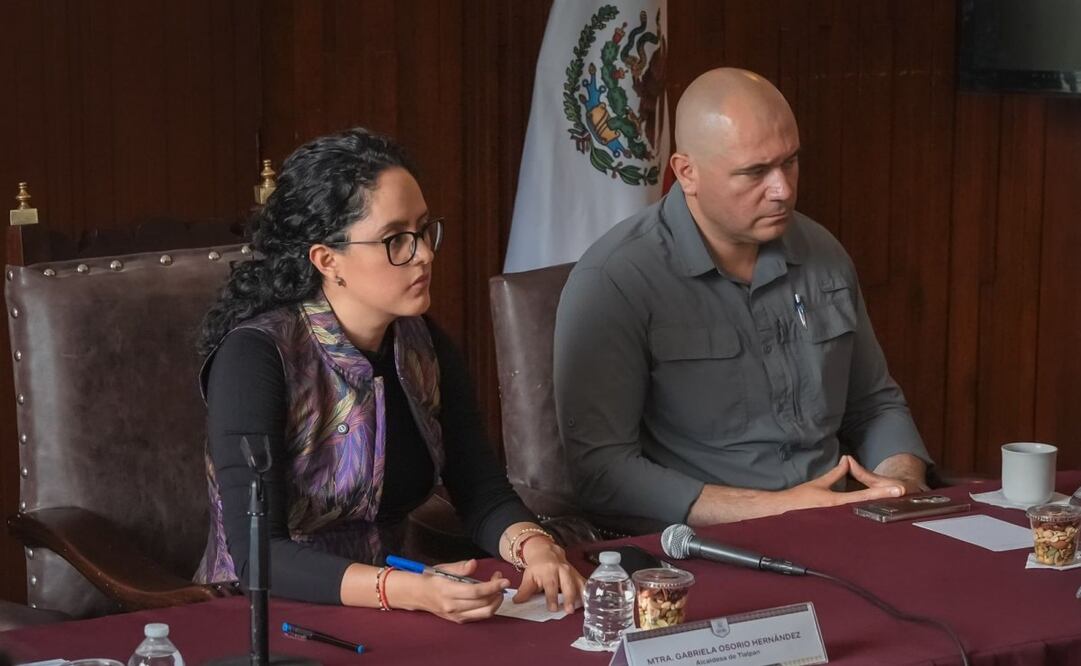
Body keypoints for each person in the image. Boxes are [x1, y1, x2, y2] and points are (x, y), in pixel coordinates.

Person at [195, 128, 583, 622]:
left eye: (423, 230)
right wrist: (410, 590)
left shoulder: (422, 342)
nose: (423, 253)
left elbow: (482, 492)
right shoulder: (255, 357)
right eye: (396, 239)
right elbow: (257, 554)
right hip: (261, 619)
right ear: (327, 260)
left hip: (397, 604)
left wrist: (536, 547)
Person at [553, 68, 933, 528]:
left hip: (843, 522)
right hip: (701, 547)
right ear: (686, 172)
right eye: (755, 172)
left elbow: (874, 403)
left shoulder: (822, 252)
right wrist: (779, 507)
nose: (783, 190)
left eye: (790, 162)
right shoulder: (614, 279)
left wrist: (900, 484)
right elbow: (602, 472)